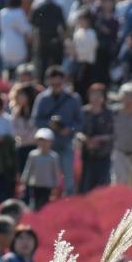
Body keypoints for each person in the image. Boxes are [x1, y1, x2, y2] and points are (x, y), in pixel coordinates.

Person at [32, 66, 83, 196]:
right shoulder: (42, 99)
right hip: (47, 146)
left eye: (58, 84)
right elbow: (36, 120)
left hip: (66, 143)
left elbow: (80, 122)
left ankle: (69, 201)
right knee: (47, 179)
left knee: (68, 177)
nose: (56, 87)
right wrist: (49, 124)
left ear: (64, 81)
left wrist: (69, 129)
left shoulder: (73, 98)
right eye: (53, 84)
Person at [22, 129, 60, 209]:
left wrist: (56, 185)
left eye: (46, 141)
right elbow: (28, 169)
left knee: (44, 204)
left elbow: (56, 172)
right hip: (35, 184)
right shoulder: (33, 155)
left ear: (51, 142)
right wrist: (24, 181)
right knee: (34, 203)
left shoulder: (53, 156)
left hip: (47, 185)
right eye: (41, 141)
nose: (44, 143)